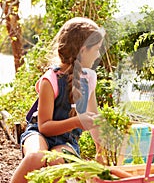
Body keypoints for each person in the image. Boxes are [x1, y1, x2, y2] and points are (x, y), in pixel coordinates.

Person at [11, 17, 106, 183]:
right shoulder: (51, 80)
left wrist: (100, 149)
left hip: (66, 140)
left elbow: (93, 117)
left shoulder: (89, 79)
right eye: (97, 49)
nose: (99, 54)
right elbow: (45, 127)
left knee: (58, 162)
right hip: (38, 133)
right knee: (37, 157)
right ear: (83, 50)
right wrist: (77, 121)